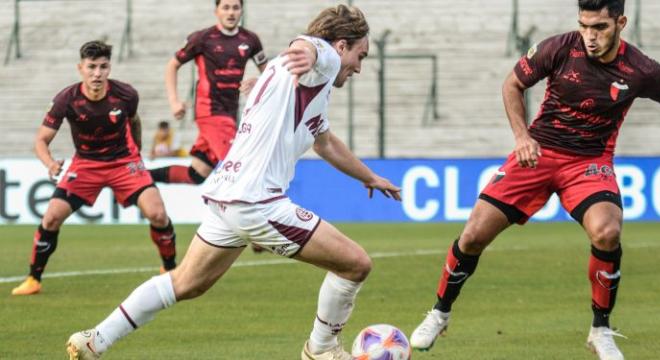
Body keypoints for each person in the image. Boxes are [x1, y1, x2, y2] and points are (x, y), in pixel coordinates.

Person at [66, 5, 401, 360]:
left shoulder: (302, 86)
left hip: (228, 199)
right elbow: (310, 47)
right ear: (342, 45)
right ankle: (321, 350)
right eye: (360, 56)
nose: (359, 67)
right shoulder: (320, 60)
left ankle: (95, 339)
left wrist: (370, 177)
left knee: (186, 283)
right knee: (355, 264)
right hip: (258, 202)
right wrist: (308, 49)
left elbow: (325, 142)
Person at [408, 1, 660, 359]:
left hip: (589, 162)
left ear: (621, 22)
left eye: (600, 27)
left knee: (607, 231)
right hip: (539, 153)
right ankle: (439, 312)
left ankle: (600, 330)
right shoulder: (558, 48)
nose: (590, 36)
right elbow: (512, 85)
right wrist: (522, 137)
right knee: (474, 234)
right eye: (584, 26)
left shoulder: (641, 69)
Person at [10, 41, 179, 296]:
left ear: (109, 68)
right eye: (91, 67)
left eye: (103, 67)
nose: (97, 73)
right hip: (86, 164)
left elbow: (134, 120)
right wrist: (50, 163)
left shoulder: (126, 94)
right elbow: (41, 140)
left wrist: (138, 152)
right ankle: (33, 279)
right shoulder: (66, 99)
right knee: (52, 217)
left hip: (124, 163)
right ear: (81, 68)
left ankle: (170, 270)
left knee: (157, 214)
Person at [149, 0, 267, 185]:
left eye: (235, 8)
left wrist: (259, 81)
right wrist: (174, 101)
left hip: (230, 113)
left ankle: (139, 179)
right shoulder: (202, 38)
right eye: (225, 8)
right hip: (209, 111)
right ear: (216, 11)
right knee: (238, 164)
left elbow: (268, 73)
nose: (231, 13)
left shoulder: (250, 40)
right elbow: (172, 65)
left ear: (241, 11)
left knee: (197, 173)